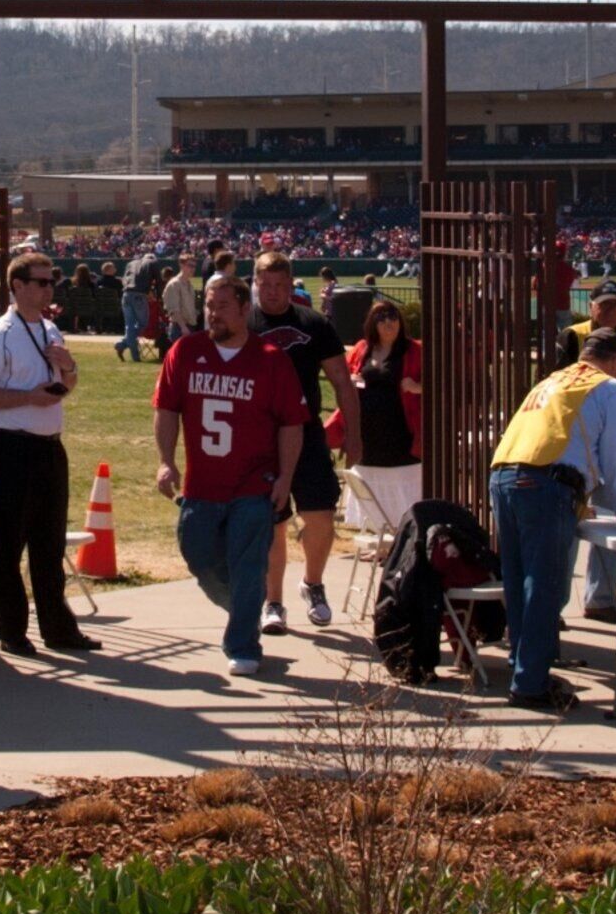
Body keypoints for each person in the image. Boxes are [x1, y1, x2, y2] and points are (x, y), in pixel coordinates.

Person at [153, 273, 305, 678]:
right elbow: (166, 409)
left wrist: (286, 478)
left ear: (244, 310)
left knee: (249, 564)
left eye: (222, 307)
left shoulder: (270, 359)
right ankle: (244, 610)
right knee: (199, 557)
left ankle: (242, 643)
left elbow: (291, 424)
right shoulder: (186, 351)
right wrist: (166, 460)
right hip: (201, 485)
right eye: (209, 306)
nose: (213, 314)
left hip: (254, 484)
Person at [485, 328, 616, 711]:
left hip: (503, 476)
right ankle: (531, 683)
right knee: (544, 585)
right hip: (546, 483)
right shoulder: (609, 388)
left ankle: (523, 665)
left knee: (518, 579)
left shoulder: (553, 381)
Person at [0, 247, 97, 656]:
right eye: (40, 282)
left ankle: (58, 629)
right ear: (17, 286)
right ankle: (12, 631)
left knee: (49, 542)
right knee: (10, 542)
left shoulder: (50, 330)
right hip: (10, 446)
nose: (48, 289)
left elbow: (67, 385)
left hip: (49, 447)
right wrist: (26, 397)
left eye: (51, 281)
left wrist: (69, 368)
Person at [247, 253, 350, 633]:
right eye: (265, 285)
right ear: (255, 284)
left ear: (291, 285)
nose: (273, 292)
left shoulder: (314, 324)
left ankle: (313, 583)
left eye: (280, 285)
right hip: (261, 439)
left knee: (320, 515)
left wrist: (353, 434)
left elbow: (341, 380)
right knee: (273, 522)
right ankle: (273, 602)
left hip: (307, 435)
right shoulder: (245, 324)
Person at [566, 282, 616, 624]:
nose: (610, 311)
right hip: (578, 448)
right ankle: (556, 605)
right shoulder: (573, 336)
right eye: (604, 305)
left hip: (611, 433)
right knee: (569, 527)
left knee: (610, 519)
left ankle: (601, 598)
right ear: (592, 306)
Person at [335, 297, 424, 524]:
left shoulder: (415, 350)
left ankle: (403, 531)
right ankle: (376, 531)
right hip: (367, 433)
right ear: (372, 323)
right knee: (369, 476)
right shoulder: (362, 349)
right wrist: (352, 380)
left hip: (402, 432)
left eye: (393, 317)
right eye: (381, 318)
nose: (388, 322)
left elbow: (442, 382)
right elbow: (344, 379)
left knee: (402, 478)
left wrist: (417, 387)